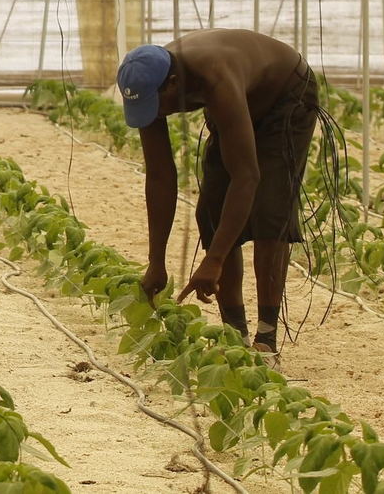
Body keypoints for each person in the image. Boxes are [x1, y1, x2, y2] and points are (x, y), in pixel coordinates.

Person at [117, 29, 319, 353]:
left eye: (157, 106)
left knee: (270, 211)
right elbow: (159, 175)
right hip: (241, 100)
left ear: (173, 84)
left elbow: (247, 176)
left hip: (285, 95)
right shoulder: (149, 89)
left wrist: (214, 260)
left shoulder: (215, 77)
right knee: (210, 211)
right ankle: (235, 333)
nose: (154, 115)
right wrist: (156, 261)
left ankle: (266, 335)